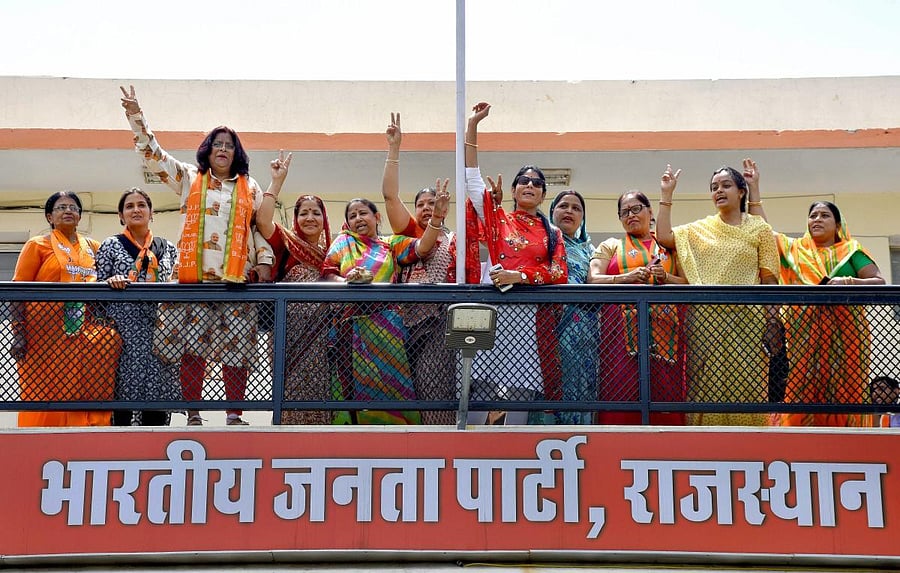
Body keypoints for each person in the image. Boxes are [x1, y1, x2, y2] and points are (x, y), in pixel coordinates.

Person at [120, 85, 274, 427]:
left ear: (237, 153)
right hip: (192, 279)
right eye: (217, 144)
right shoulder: (190, 178)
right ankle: (193, 413)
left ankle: (234, 414)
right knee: (191, 350)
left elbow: (258, 229)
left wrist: (263, 261)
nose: (223, 149)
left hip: (236, 282)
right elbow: (153, 156)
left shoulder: (250, 187)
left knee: (238, 351)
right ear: (207, 150)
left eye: (229, 145)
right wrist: (136, 116)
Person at [464, 102, 568, 425]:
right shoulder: (498, 221)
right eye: (523, 180)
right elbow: (471, 180)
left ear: (542, 195)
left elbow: (559, 273)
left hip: (527, 319)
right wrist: (472, 127)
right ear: (512, 190)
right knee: (480, 392)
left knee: (519, 397)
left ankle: (511, 465)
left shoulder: (552, 233)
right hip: (492, 310)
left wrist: (518, 275)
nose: (530, 185)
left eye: (537, 183)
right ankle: (472, 464)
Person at [655, 162, 780, 426]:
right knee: (704, 383)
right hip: (705, 320)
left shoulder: (760, 228)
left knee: (747, 381)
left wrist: (772, 321)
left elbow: (769, 278)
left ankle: (748, 443)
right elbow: (664, 236)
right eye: (714, 188)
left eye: (725, 185)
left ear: (741, 191)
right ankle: (704, 442)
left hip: (748, 321)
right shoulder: (699, 229)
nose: (718, 191)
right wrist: (667, 195)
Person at [323, 194, 448, 424]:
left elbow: (421, 247)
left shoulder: (391, 244)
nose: (358, 219)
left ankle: (397, 446)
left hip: (388, 331)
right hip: (351, 331)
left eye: (363, 213)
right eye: (352, 216)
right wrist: (348, 282)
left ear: (377, 217)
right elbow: (328, 274)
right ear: (347, 223)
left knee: (393, 388)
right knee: (351, 394)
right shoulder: (342, 243)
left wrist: (436, 218)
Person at [759, 199, 885, 427]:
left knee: (847, 384)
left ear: (838, 225)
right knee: (802, 383)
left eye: (825, 215)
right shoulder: (795, 249)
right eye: (813, 215)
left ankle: (849, 438)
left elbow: (878, 281)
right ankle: (801, 437)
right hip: (804, 334)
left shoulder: (851, 250)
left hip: (846, 333)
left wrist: (847, 281)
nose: (817, 219)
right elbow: (764, 232)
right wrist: (754, 189)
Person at [10, 191, 122, 427]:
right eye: (61, 208)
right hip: (43, 338)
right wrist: (18, 333)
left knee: (87, 387)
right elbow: (17, 291)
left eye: (73, 207)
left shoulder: (94, 247)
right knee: (42, 396)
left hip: (84, 337)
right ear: (50, 216)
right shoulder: (37, 245)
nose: (68, 211)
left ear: (80, 217)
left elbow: (109, 280)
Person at [380, 113, 457, 424]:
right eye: (422, 204)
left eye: (433, 203)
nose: (427, 208)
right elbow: (389, 195)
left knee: (435, 389)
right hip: (402, 325)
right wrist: (394, 149)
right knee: (403, 394)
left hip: (441, 323)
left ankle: (438, 453)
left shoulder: (455, 239)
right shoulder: (410, 233)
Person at [256, 151, 341, 424]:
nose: (310, 218)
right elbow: (263, 222)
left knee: (320, 394)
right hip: (289, 332)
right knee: (289, 392)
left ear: (324, 219)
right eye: (303, 213)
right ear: (296, 218)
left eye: (316, 212)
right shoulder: (288, 243)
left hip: (321, 337)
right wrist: (277, 182)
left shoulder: (332, 253)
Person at [589, 190, 687, 425]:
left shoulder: (669, 246)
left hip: (666, 340)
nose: (630, 215)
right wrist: (626, 277)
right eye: (624, 212)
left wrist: (666, 278)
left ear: (650, 211)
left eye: (636, 209)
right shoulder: (612, 245)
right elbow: (593, 278)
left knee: (665, 396)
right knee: (620, 391)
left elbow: (686, 282)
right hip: (620, 340)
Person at [96, 188, 181, 426]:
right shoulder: (111, 245)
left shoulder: (168, 247)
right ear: (121, 215)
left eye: (142, 205)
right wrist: (109, 283)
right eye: (129, 206)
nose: (136, 210)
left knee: (158, 396)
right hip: (124, 334)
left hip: (161, 333)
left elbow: (176, 282)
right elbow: (96, 289)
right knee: (123, 390)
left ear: (151, 212)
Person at [543, 189, 598, 424]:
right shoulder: (542, 242)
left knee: (583, 386)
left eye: (576, 208)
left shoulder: (589, 250)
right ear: (551, 211)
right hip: (548, 328)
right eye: (563, 206)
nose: (569, 211)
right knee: (548, 386)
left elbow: (598, 279)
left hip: (585, 333)